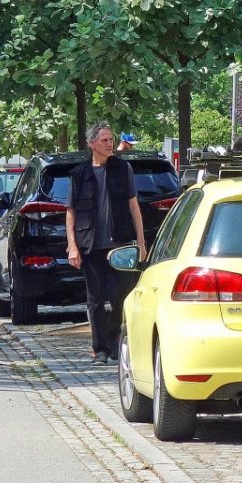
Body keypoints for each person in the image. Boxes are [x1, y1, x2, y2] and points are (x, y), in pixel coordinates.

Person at [66, 122, 147, 366]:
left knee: (121, 295)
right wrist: (72, 245)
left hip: (120, 245)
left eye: (111, 139)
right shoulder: (79, 174)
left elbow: (134, 206)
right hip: (91, 246)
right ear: (92, 144)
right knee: (95, 300)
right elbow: (70, 211)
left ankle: (115, 343)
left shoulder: (123, 169)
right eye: (104, 140)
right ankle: (99, 349)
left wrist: (141, 242)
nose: (109, 144)